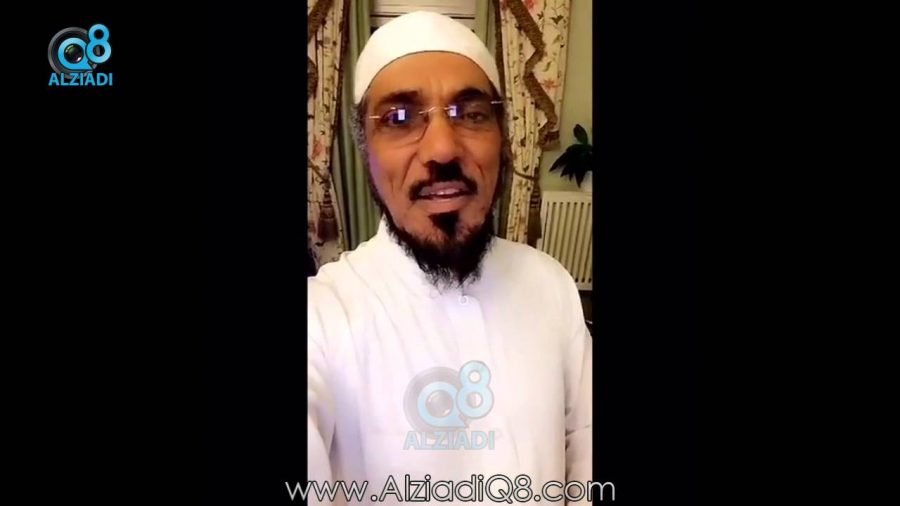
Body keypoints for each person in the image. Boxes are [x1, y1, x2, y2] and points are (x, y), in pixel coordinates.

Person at [308, 11, 592, 505]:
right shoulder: (323, 315)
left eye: (471, 114)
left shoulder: (551, 283)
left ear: (503, 139)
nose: (442, 148)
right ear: (365, 153)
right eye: (399, 119)